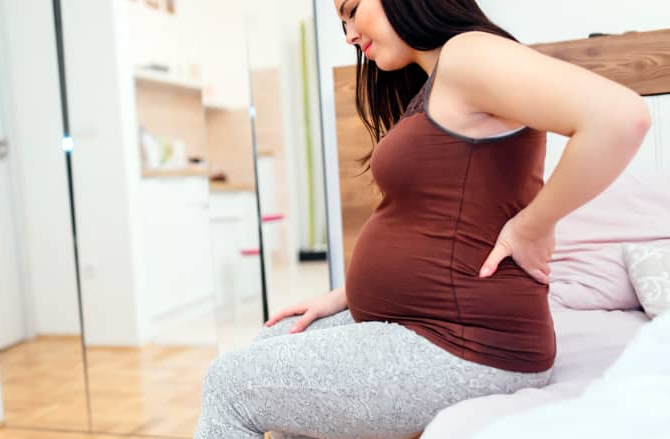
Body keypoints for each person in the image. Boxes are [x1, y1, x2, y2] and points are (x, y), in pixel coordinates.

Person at [194, 1, 651, 438]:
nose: (350, 35)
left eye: (352, 10)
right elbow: (435, 216)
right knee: (271, 342)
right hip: (431, 325)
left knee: (229, 384)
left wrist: (535, 224)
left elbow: (621, 117)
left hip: (468, 346)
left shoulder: (468, 55)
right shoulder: (436, 81)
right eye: (341, 23)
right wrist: (348, 294)